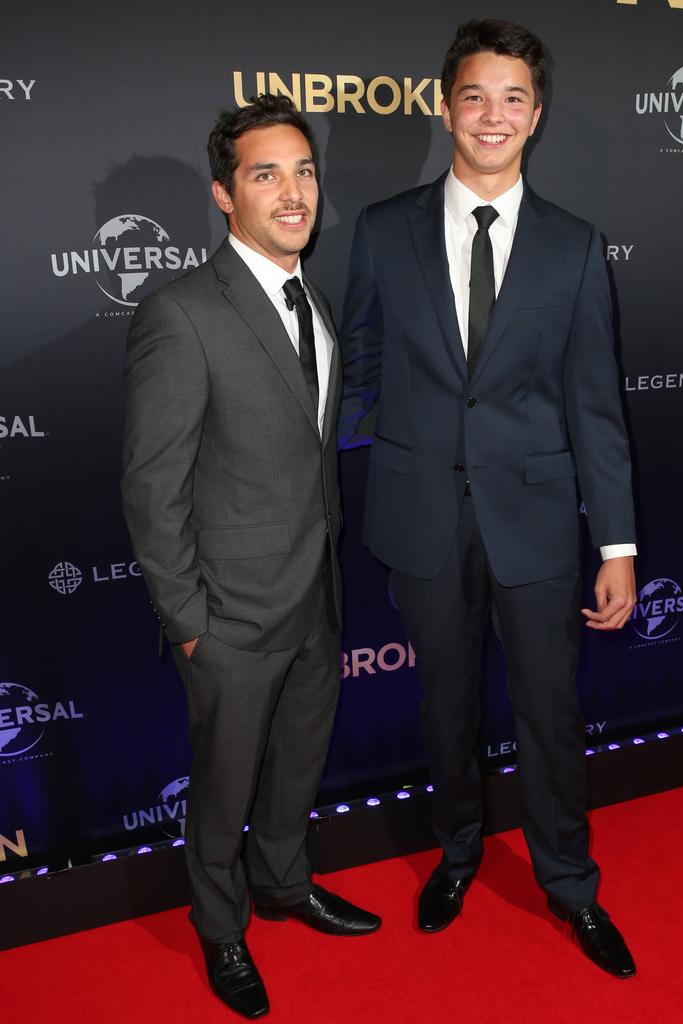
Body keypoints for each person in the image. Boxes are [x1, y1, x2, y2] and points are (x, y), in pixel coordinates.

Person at [339, 20, 637, 978]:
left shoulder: (577, 247)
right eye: (474, 95)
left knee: (551, 712)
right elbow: (363, 365)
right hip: (422, 516)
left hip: (539, 521)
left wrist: (618, 544)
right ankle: (457, 854)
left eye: (513, 98)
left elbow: (596, 403)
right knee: (445, 707)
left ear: (536, 114)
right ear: (444, 107)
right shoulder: (384, 229)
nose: (492, 115)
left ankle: (570, 885)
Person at [122, 94, 380, 1021]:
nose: (293, 191)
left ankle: (283, 883)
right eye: (266, 174)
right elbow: (152, 486)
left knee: (297, 764)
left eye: (303, 170)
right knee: (223, 784)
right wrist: (190, 625)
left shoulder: (311, 296)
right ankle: (222, 929)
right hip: (229, 616)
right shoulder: (182, 314)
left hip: (316, 596)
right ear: (225, 196)